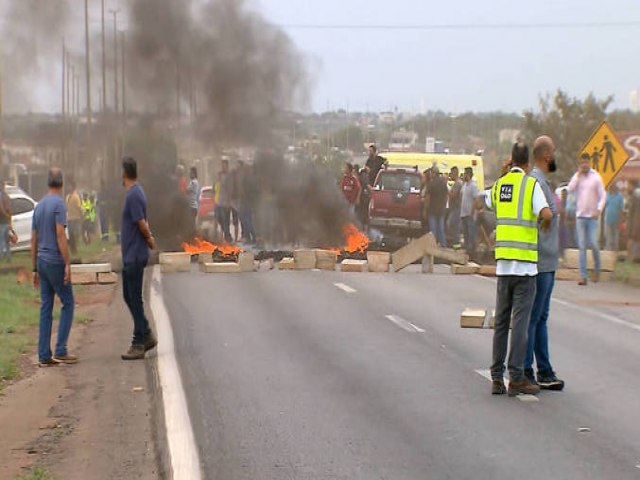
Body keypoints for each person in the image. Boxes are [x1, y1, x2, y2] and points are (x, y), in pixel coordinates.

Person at [486, 142, 552, 397]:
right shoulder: (531, 185)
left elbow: (487, 203)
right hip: (525, 267)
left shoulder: (501, 184)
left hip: (503, 266)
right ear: (527, 163)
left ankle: (496, 378)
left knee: (501, 322)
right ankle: (516, 376)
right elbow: (547, 214)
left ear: (511, 160)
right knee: (520, 323)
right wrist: (538, 222)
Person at [525, 136, 565, 391]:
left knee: (539, 318)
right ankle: (529, 370)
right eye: (554, 152)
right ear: (547, 155)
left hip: (546, 261)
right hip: (540, 261)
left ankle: (543, 370)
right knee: (534, 317)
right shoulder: (537, 182)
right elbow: (543, 216)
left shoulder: (540, 181)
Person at [31, 168, 77, 367]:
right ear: (62, 184)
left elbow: (33, 239)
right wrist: (67, 263)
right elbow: (60, 234)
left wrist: (34, 268)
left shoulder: (39, 206)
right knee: (68, 302)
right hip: (55, 262)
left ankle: (43, 355)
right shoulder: (59, 204)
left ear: (48, 183)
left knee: (46, 307)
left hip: (41, 261)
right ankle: (60, 350)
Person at [120, 157, 157, 360]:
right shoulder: (136, 192)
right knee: (129, 296)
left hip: (134, 255)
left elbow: (141, 222)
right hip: (132, 254)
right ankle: (145, 334)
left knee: (134, 297)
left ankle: (139, 340)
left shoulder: (133, 195)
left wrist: (150, 238)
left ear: (124, 172)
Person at [568, 153, 606, 285]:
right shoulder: (578, 177)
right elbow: (570, 189)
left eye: (586, 163)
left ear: (589, 163)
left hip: (592, 217)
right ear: (580, 164)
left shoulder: (596, 177)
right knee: (582, 245)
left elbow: (603, 195)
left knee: (594, 244)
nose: (584, 165)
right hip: (580, 216)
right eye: (582, 163)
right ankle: (583, 276)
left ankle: (596, 270)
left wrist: (599, 209)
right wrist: (577, 176)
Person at [460, 167, 479, 260]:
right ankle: (467, 253)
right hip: (463, 214)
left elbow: (476, 200)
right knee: (466, 234)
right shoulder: (465, 185)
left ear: (469, 175)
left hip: (470, 215)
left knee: (471, 235)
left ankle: (472, 254)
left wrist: (471, 212)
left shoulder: (473, 186)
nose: (464, 176)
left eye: (465, 174)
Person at [427, 167, 448, 246]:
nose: (430, 174)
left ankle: (433, 245)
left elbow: (428, 198)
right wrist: (444, 206)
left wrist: (425, 209)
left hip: (432, 210)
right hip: (441, 210)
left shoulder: (431, 184)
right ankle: (443, 244)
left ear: (434, 173)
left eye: (431, 173)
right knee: (441, 228)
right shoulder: (443, 183)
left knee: (433, 230)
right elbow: (446, 196)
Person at [216, 160, 233, 243]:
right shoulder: (219, 175)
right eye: (222, 166)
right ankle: (226, 235)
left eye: (225, 166)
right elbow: (216, 186)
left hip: (225, 201)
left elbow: (230, 189)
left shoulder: (229, 176)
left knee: (225, 219)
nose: (224, 167)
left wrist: (228, 202)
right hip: (218, 201)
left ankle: (227, 237)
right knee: (219, 218)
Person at [604, 183, 624, 252]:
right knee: (608, 238)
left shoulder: (620, 196)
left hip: (616, 220)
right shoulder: (607, 195)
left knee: (616, 237)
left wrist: (620, 221)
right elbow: (604, 205)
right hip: (608, 220)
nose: (611, 188)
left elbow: (621, 209)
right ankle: (608, 252)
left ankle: (615, 253)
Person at [447, 166, 463, 249]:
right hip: (454, 209)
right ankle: (455, 245)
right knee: (452, 226)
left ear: (455, 173)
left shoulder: (458, 184)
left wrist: (447, 190)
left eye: (451, 173)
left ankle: (456, 246)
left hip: (456, 209)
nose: (450, 176)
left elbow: (453, 195)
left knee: (454, 227)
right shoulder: (456, 183)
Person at [65, 181, 82, 255]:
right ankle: (72, 249)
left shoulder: (76, 196)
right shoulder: (67, 197)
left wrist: (81, 215)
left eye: (70, 186)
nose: (69, 187)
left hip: (75, 218)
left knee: (75, 234)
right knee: (70, 234)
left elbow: (79, 207)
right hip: (69, 218)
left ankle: (75, 249)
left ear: (73, 187)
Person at [0, 181, 12, 262]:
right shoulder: (7, 195)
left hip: (2, 221)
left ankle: (1, 256)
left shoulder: (1, 195)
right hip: (7, 220)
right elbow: (9, 208)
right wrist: (9, 219)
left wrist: (5, 215)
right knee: (7, 241)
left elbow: (1, 208)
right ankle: (8, 257)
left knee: (2, 240)